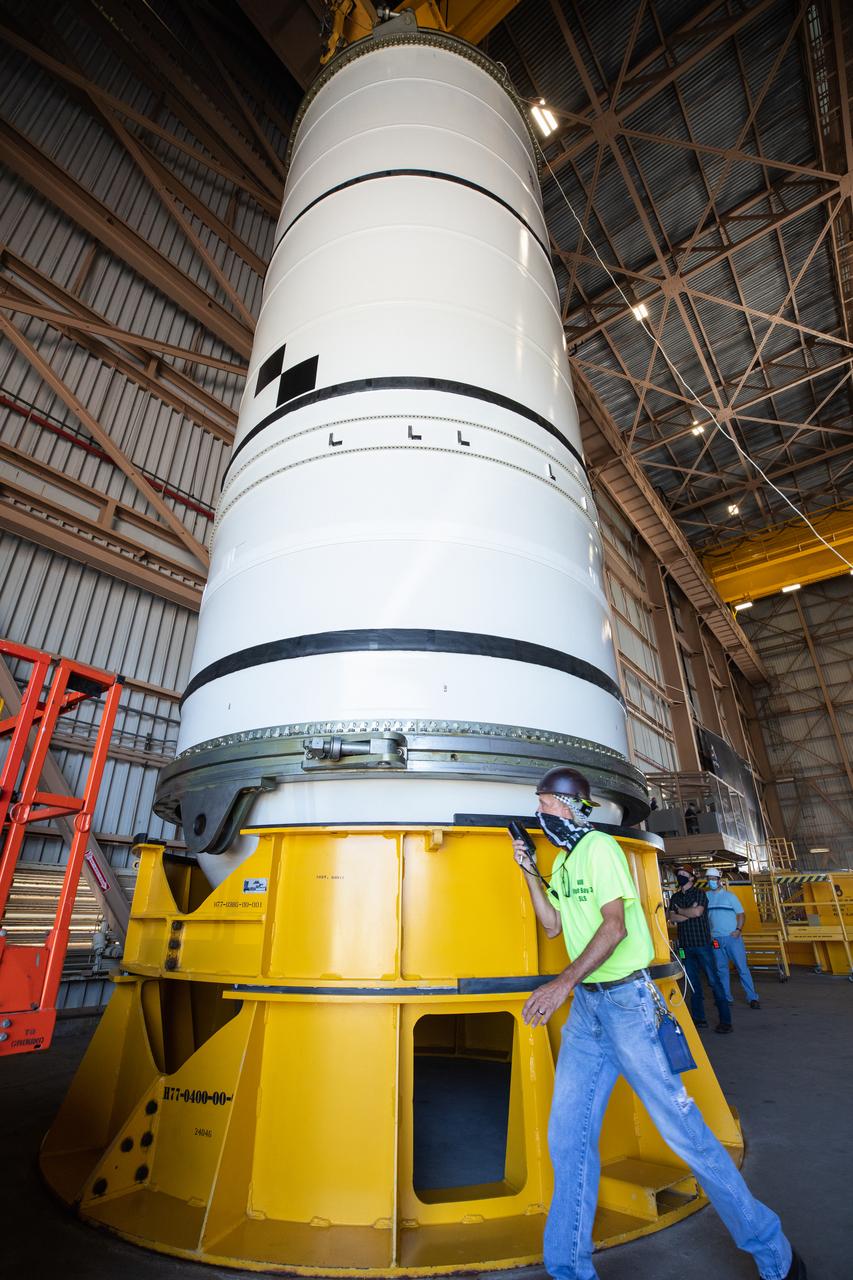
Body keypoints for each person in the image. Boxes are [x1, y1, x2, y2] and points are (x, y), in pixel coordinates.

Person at [511, 766, 805, 1280]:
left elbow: (615, 926)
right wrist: (529, 872)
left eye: (547, 803)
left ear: (572, 806)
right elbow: (554, 924)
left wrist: (561, 984)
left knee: (684, 1132)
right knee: (568, 1138)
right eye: (539, 804)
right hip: (589, 1013)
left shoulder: (601, 849)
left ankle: (771, 1251)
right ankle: (568, 1270)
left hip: (626, 1006)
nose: (540, 812)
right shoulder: (560, 862)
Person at [667, 866, 733, 1033]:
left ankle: (726, 1021)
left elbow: (697, 912)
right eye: (679, 874)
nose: (680, 876)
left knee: (714, 982)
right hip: (685, 947)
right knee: (693, 984)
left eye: (684, 874)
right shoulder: (674, 896)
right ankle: (699, 1019)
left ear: (691, 878)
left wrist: (681, 912)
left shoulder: (700, 894)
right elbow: (671, 917)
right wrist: (686, 912)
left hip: (702, 944)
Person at [707, 868, 760, 1008]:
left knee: (742, 968)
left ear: (719, 880)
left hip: (732, 938)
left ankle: (752, 997)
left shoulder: (730, 896)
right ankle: (726, 998)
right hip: (716, 940)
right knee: (721, 969)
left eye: (713, 879)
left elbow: (741, 915)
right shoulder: (706, 897)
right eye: (709, 879)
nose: (711, 881)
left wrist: (738, 930)